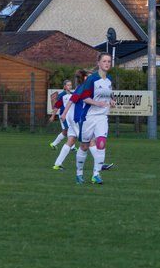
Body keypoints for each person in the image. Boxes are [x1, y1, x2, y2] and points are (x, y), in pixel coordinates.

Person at [64, 55, 114, 184]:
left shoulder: (109, 79)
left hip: (102, 117)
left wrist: (111, 101)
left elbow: (107, 95)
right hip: (88, 117)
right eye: (104, 61)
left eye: (109, 61)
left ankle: (96, 175)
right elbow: (85, 98)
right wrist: (97, 104)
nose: (107, 63)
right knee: (84, 146)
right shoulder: (91, 79)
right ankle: (79, 174)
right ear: (98, 63)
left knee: (101, 142)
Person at [51, 71, 87, 170]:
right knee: (89, 141)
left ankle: (57, 164)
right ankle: (100, 164)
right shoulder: (81, 88)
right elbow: (70, 102)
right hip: (75, 119)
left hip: (72, 118)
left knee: (70, 141)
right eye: (88, 77)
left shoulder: (82, 88)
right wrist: (63, 114)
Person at [49, 79, 74, 150]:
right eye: (68, 85)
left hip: (70, 116)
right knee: (69, 130)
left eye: (70, 85)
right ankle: (72, 147)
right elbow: (56, 106)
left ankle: (53, 144)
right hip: (64, 116)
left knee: (65, 132)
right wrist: (53, 116)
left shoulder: (72, 95)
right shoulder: (61, 95)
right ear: (64, 87)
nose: (70, 86)